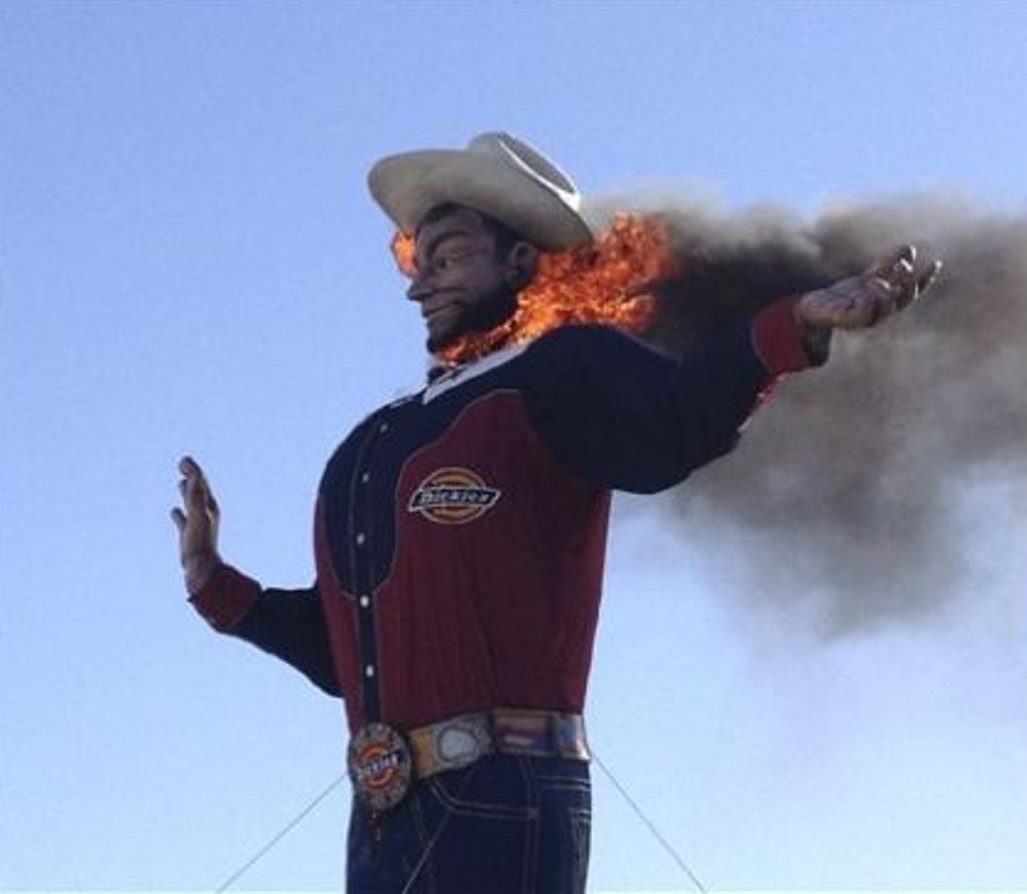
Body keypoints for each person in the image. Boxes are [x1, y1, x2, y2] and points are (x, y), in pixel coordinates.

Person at [172, 132, 939, 892]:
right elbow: (348, 654)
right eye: (416, 263)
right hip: (379, 818)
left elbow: (678, 420)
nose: (420, 286)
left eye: (448, 258)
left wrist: (792, 325)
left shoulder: (557, 371)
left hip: (504, 802)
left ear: (519, 262)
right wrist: (216, 586)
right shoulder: (370, 444)